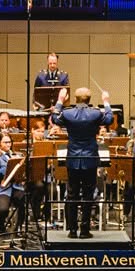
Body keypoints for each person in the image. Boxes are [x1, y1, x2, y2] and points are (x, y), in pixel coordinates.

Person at [51, 87, 113, 238]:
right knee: (88, 194)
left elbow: (54, 119)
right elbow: (110, 119)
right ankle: (84, 230)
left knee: (71, 194)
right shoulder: (95, 113)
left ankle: (72, 230)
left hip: (73, 158)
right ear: (89, 100)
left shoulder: (67, 113)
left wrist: (60, 100)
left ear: (75, 99)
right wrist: (106, 102)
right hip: (90, 158)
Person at [0, 133, 25, 233]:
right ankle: (0, 223)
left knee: (23, 200)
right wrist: (9, 165)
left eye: (9, 142)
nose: (8, 144)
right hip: (1, 189)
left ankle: (19, 227)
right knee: (3, 209)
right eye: (5, 142)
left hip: (16, 187)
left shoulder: (16, 155)